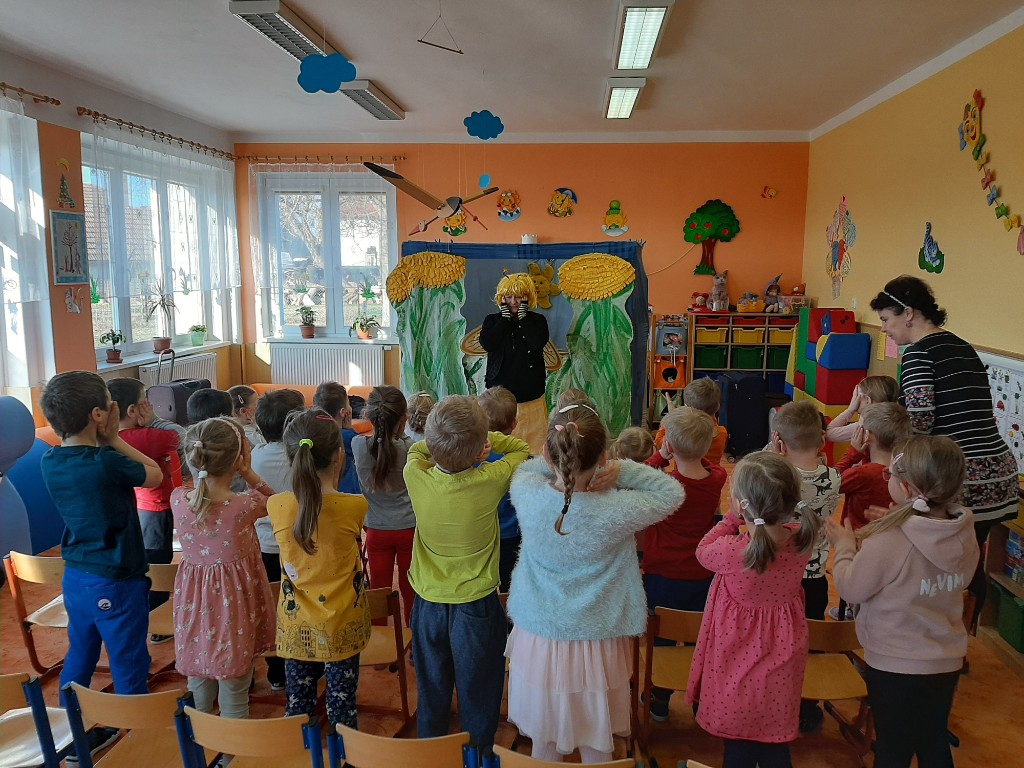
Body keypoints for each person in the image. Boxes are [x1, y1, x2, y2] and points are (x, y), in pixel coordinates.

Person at [506, 402, 683, 763]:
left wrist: (560, 457)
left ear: (548, 453)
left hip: (540, 637)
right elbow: (671, 493)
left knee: (544, 741)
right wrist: (620, 470)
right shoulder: (617, 508)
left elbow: (528, 466)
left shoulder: (526, 491)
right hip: (598, 638)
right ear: (604, 456)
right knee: (597, 741)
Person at [870, 275, 1017, 626]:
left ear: (908, 313)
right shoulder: (961, 345)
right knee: (968, 564)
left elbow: (919, 421)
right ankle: (960, 639)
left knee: (937, 569)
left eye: (886, 320)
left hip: (962, 478)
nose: (885, 329)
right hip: (999, 474)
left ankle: (934, 641)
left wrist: (891, 458)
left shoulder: (919, 353)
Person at [827, 435, 979, 768]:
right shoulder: (964, 529)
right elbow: (960, 577)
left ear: (907, 489)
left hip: (894, 663)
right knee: (932, 739)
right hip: (946, 660)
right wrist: (902, 521)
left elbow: (851, 588)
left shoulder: (889, 540)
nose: (886, 479)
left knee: (893, 749)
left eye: (890, 475)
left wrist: (845, 547)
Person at [40, 372, 163, 758]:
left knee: (80, 651)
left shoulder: (49, 459)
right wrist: (113, 439)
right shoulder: (106, 460)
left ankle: (70, 729)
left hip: (76, 576)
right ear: (99, 414)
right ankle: (137, 737)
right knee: (129, 658)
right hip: (117, 579)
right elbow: (155, 476)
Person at [404, 395, 531, 756]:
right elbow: (521, 450)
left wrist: (458, 444)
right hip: (476, 607)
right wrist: (483, 443)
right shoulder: (490, 478)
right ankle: (477, 759)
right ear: (480, 448)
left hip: (427, 606)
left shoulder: (414, 474)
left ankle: (432, 757)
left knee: (431, 692)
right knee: (479, 693)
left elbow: (417, 450)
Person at [686, 452, 821, 768]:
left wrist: (731, 520)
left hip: (737, 658)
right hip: (782, 655)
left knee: (738, 748)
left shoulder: (733, 551)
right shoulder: (802, 540)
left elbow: (702, 550)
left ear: (740, 504)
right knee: (775, 743)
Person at [269, 408, 371, 730]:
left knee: (298, 709)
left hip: (295, 624)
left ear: (291, 457)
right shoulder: (356, 506)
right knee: (343, 711)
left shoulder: (277, 506)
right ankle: (343, 752)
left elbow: (299, 505)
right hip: (342, 622)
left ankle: (300, 751)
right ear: (339, 456)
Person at [171, 417, 275, 718]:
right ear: (238, 459)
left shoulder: (178, 500)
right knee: (235, 690)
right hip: (234, 610)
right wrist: (248, 472)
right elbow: (277, 501)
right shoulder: (244, 505)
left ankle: (197, 741)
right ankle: (231, 746)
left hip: (194, 608)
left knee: (198, 686)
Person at [642, 407, 727, 721]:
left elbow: (641, 476)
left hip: (663, 576)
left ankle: (659, 700)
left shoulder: (665, 485)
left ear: (670, 445)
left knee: (662, 640)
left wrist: (661, 456)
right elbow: (708, 465)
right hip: (702, 574)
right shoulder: (718, 477)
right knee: (698, 639)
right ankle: (699, 698)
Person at [770, 399, 840, 732]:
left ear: (779, 442)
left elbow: (755, 469)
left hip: (779, 578)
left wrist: (775, 453)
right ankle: (807, 707)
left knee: (775, 641)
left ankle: (774, 701)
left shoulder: (775, 477)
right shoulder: (834, 477)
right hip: (813, 577)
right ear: (822, 440)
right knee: (808, 642)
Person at [107, 377, 180, 622]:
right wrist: (154, 421)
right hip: (156, 507)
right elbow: (180, 436)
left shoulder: (109, 439)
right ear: (132, 410)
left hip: (136, 506)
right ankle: (156, 617)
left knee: (145, 557)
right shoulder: (145, 436)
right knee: (158, 560)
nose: (149, 406)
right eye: (145, 402)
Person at [832, 402, 913, 620]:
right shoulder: (906, 473)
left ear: (868, 436)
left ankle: (854, 614)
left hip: (859, 546)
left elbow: (830, 483)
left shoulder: (863, 474)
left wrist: (853, 453)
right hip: (893, 547)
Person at [249, 388, 305, 691]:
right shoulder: (301, 457)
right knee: (301, 604)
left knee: (273, 606)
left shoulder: (255, 455)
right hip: (298, 543)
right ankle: (306, 664)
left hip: (266, 544)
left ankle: (277, 671)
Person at [352, 385, 416, 626]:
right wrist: (401, 430)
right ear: (403, 420)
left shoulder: (358, 445)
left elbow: (378, 442)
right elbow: (403, 443)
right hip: (408, 528)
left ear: (369, 415)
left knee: (378, 589)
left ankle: (380, 639)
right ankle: (413, 639)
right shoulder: (409, 448)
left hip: (376, 529)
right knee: (411, 589)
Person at [479, 272, 551, 453]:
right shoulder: (492, 320)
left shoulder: (537, 321)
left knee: (534, 447)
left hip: (531, 394)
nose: (513, 302)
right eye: (508, 297)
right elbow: (488, 343)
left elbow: (536, 343)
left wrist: (523, 318)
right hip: (499, 395)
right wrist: (505, 319)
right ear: (501, 298)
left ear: (527, 297)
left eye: (518, 297)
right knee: (498, 447)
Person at [477, 386, 523, 595]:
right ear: (514, 424)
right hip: (511, 536)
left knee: (481, 587)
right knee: (509, 586)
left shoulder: (471, 458)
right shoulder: (520, 458)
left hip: (481, 535)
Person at [827, 375, 899, 472]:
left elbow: (829, 434)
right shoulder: (898, 424)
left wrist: (850, 410)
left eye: (857, 396)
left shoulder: (863, 427)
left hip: (865, 474)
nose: (854, 399)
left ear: (867, 400)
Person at [655, 378, 728, 467]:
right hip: (713, 474)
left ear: (686, 407)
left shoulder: (682, 435)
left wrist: (672, 418)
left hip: (681, 476)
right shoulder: (722, 433)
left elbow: (659, 441)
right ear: (718, 407)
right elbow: (708, 421)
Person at [313, 381, 360, 494]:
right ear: (343, 412)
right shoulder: (351, 438)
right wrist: (350, 430)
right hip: (350, 493)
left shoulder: (315, 435)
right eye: (349, 403)